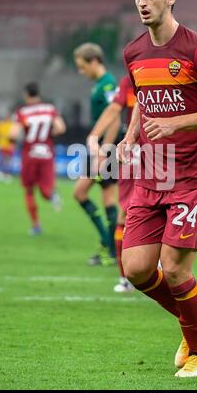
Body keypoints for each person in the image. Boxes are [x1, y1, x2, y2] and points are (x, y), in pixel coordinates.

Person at [118, 0, 197, 377]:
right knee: (134, 268)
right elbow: (142, 97)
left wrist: (175, 123)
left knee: (173, 268)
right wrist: (132, 134)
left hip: (191, 177)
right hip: (151, 173)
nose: (142, 3)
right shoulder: (134, 52)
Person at [87, 75, 136, 292]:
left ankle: (160, 265)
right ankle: (125, 278)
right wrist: (94, 137)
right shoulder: (128, 81)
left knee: (161, 210)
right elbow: (115, 109)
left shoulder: (166, 76)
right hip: (133, 150)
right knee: (125, 213)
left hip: (164, 152)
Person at [73, 43, 120, 266]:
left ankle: (111, 249)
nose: (81, 72)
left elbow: (116, 117)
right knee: (81, 192)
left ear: (94, 61)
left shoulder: (108, 84)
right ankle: (108, 244)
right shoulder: (101, 84)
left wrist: (105, 150)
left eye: (82, 67)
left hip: (105, 149)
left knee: (105, 196)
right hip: (100, 148)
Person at [10, 82, 66, 235]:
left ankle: (36, 226)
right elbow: (61, 128)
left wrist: (14, 140)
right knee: (45, 190)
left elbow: (13, 134)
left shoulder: (22, 112)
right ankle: (52, 195)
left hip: (30, 153)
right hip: (47, 152)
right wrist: (47, 135)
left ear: (26, 94)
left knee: (29, 190)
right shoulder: (50, 109)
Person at [0, 110, 15, 182]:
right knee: (2, 159)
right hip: (2, 144)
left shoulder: (12, 125)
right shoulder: (1, 124)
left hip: (10, 145)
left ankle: (7, 173)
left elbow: (14, 136)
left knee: (9, 160)